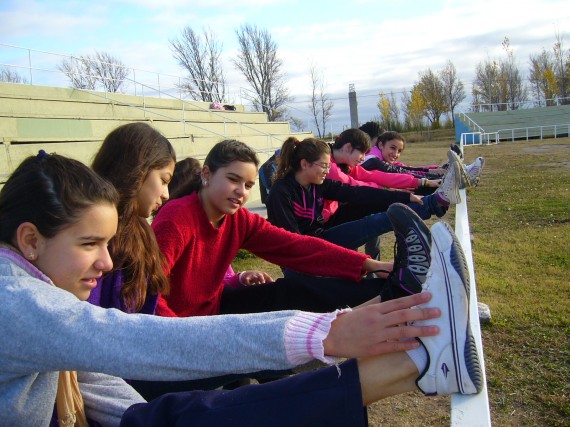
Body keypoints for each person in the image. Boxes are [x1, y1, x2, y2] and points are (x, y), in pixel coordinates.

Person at [0, 150, 483, 426]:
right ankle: (415, 355)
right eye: (90, 245)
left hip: (169, 344)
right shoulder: (16, 302)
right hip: (166, 339)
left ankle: (408, 332)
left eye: (249, 183)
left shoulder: (235, 222)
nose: (105, 261)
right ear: (30, 240)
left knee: (280, 295)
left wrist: (366, 267)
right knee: (219, 397)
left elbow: (297, 248)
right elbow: (131, 333)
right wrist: (321, 335)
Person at [266, 136, 461, 284]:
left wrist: (403, 195)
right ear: (304, 164)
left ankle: (434, 202)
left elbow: (357, 192)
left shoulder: (318, 184)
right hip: (302, 259)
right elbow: (292, 244)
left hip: (319, 240)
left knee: (369, 213)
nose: (328, 170)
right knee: (368, 227)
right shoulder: (281, 192)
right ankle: (433, 205)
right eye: (324, 166)